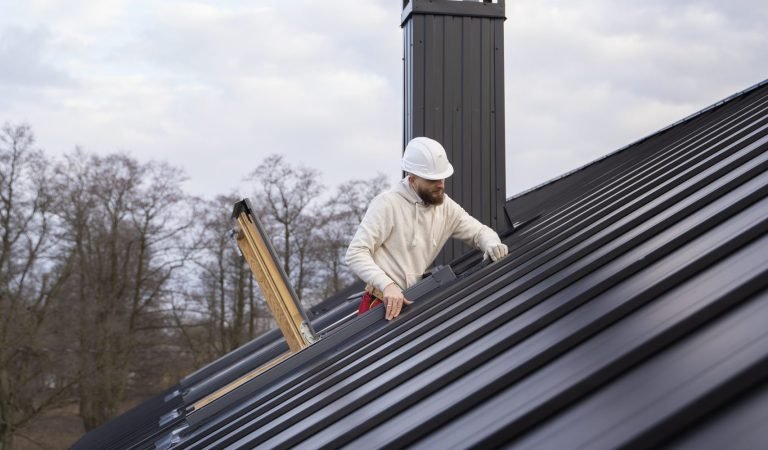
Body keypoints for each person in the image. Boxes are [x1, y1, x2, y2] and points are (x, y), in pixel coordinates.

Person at [345, 136, 508, 321]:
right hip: (380, 306)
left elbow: (480, 232)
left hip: (411, 304)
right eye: (432, 180)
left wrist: (492, 244)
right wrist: (387, 285)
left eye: (442, 178)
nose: (440, 185)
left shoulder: (446, 207)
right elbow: (355, 253)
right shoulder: (387, 204)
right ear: (412, 178)